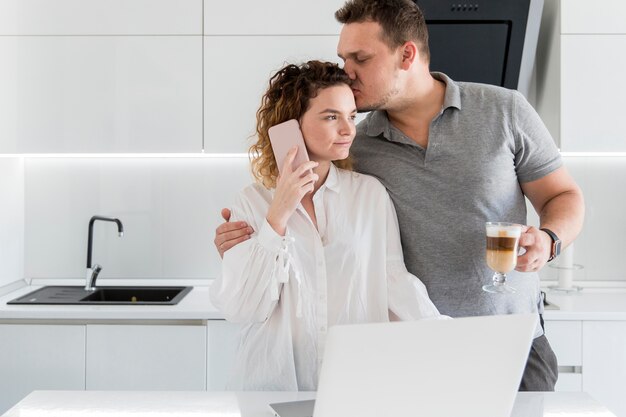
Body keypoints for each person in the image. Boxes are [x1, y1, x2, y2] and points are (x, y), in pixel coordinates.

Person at [214, 0, 585, 391]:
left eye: (360, 58)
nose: (346, 71)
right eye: (343, 58)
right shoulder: (354, 148)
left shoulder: (504, 111)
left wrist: (549, 238)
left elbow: (563, 194)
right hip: (414, 350)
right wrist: (253, 245)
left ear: (406, 54)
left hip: (510, 340)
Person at [210, 60, 445, 391]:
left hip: (353, 388)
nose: (349, 129)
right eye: (331, 117)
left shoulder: (369, 195)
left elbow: (394, 282)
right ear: (289, 125)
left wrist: (445, 337)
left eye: (351, 116)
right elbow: (244, 307)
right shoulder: (250, 203)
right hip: (272, 388)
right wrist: (277, 215)